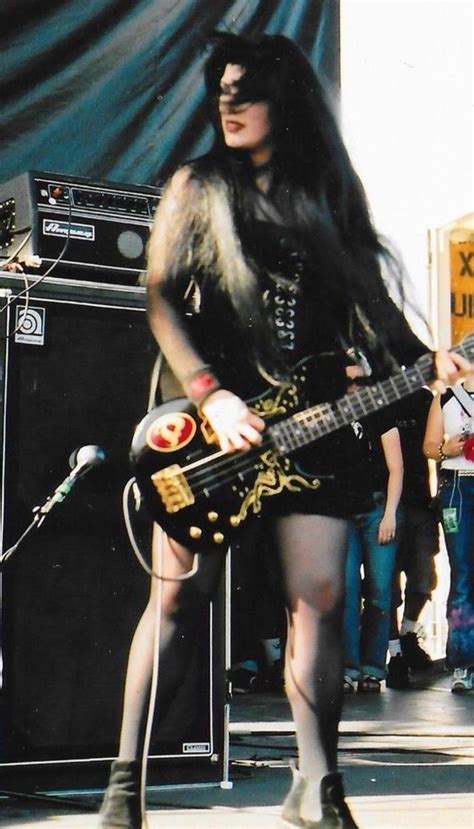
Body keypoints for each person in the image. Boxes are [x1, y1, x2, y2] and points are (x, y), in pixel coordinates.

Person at [97, 32, 471, 829]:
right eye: (222, 89)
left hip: (315, 423)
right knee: (177, 598)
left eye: (248, 90)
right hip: (210, 424)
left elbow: (372, 305)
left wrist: (429, 360)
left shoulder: (328, 193)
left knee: (323, 600)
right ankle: (123, 788)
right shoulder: (198, 185)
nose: (229, 102)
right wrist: (210, 396)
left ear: (286, 100)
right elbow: (162, 299)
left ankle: (318, 788)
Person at [343, 416, 404, 694]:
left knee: (379, 590)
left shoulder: (380, 416)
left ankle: (373, 667)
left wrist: (390, 514)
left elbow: (396, 468)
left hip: (377, 508)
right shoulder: (333, 418)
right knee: (347, 589)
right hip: (343, 511)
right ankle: (347, 667)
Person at [423, 368, 474, 693]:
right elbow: (428, 446)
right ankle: (462, 663)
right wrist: (448, 450)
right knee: (463, 575)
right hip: (457, 486)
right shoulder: (446, 396)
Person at [386, 388, 439, 689]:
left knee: (423, 577)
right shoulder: (376, 397)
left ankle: (408, 634)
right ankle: (395, 653)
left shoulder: (422, 398)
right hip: (388, 502)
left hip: (420, 500)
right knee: (387, 584)